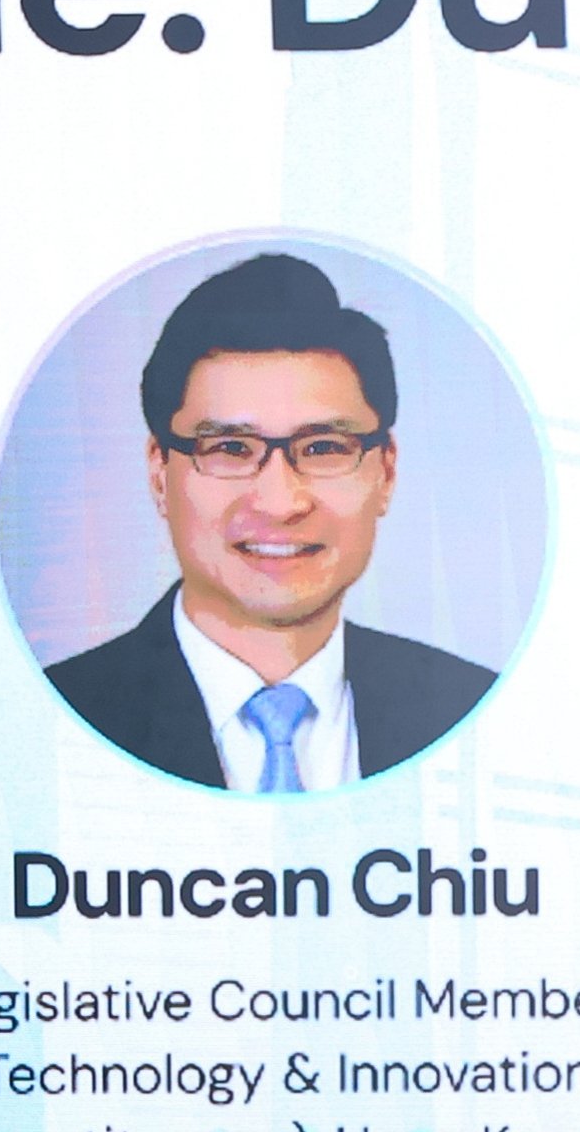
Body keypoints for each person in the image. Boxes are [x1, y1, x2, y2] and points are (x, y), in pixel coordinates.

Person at [42, 250, 497, 791]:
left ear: (387, 472)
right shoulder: (53, 715)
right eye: (231, 449)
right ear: (159, 473)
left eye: (324, 447)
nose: (280, 503)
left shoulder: (472, 710)